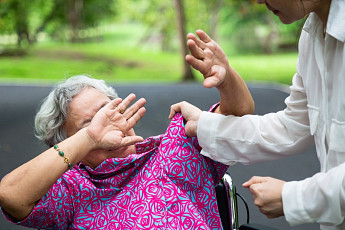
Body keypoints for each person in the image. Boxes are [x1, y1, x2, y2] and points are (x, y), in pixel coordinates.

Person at [170, 0, 345, 229]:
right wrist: (203, 124)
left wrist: (292, 197)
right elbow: (291, 126)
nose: (259, 1)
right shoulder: (312, 34)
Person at [0, 74, 254, 229]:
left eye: (107, 111)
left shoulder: (177, 143)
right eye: (87, 124)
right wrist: (90, 138)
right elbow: (11, 196)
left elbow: (239, 113)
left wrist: (225, 76)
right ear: (68, 144)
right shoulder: (72, 188)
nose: (106, 124)